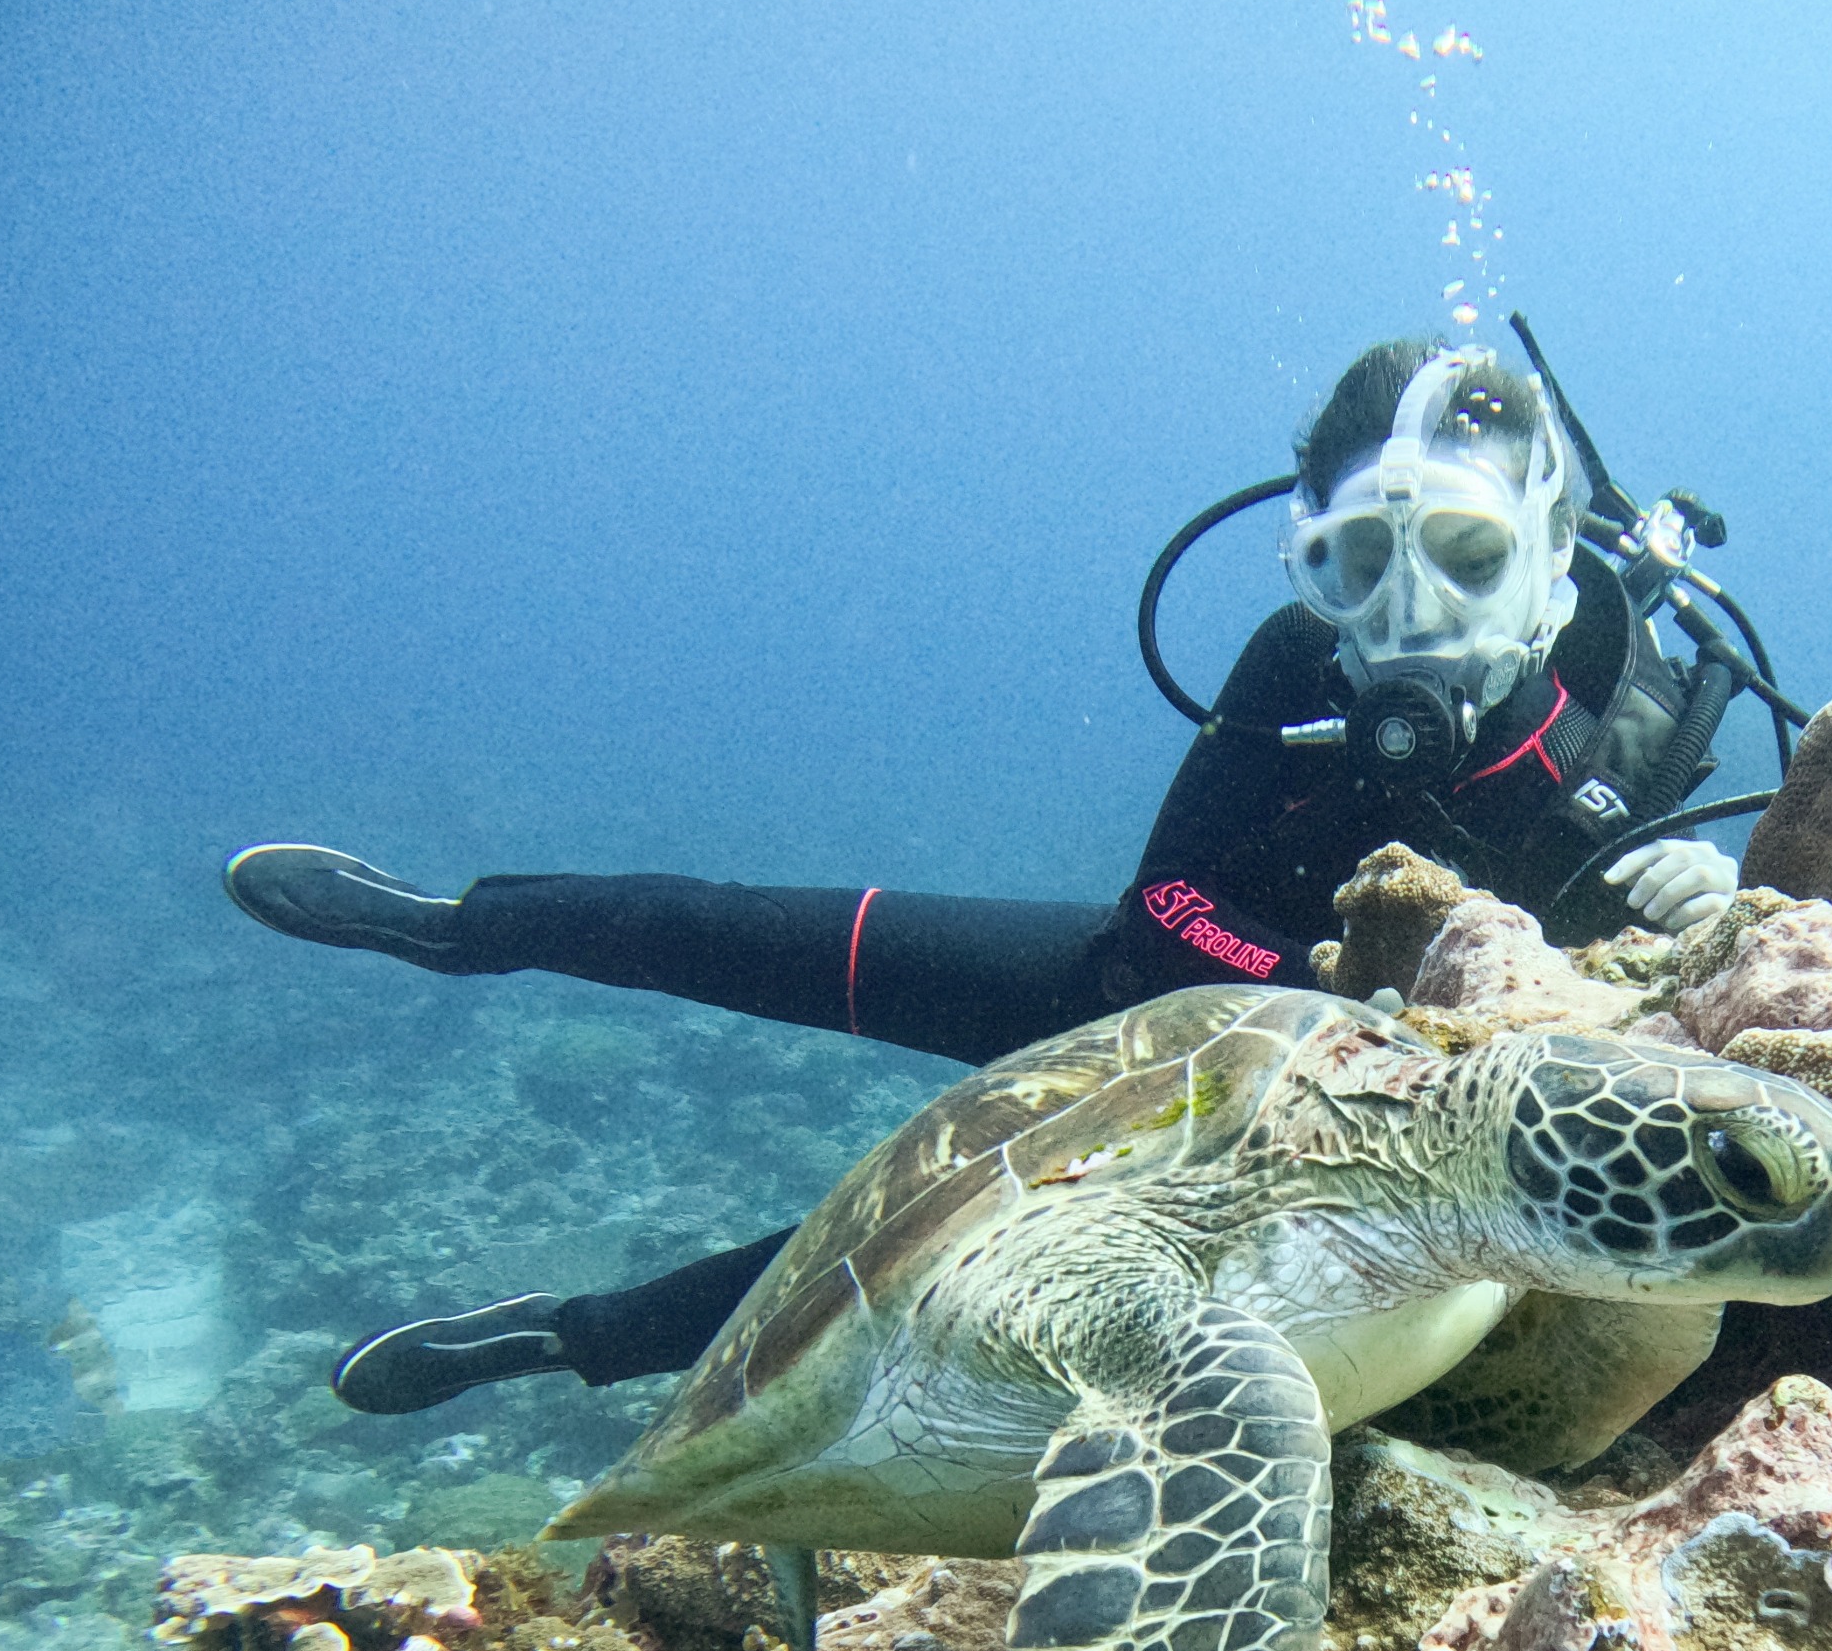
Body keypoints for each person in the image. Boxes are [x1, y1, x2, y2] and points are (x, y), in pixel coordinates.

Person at [227, 338, 1750, 1413]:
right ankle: (451, 928)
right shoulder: (1298, 662)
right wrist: (1318, 980)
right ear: (1306, 565)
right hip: (1121, 1002)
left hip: (1319, 1162)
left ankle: (558, 1342)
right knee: (745, 932)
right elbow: (1165, 903)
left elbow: (1677, 1010)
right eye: (1358, 564)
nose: (1406, 615)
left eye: (1467, 559)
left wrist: (1695, 904)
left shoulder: (1650, 722)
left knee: (881, 1273)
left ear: (1554, 558)